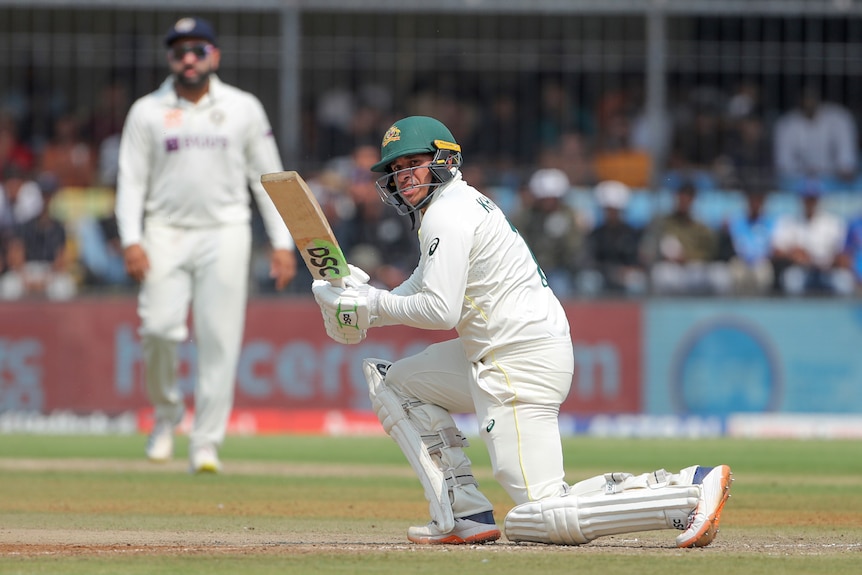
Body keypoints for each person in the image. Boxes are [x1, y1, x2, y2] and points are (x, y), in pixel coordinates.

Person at [311, 115, 732, 547]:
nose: (404, 177)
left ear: (446, 160)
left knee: (539, 514)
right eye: (397, 170)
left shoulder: (448, 215)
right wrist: (362, 306)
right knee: (395, 385)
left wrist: (370, 305)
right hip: (497, 350)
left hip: (518, 358)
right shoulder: (452, 208)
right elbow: (420, 287)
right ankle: (465, 514)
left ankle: (689, 490)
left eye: (414, 163)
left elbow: (439, 310)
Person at [115, 16, 297, 473]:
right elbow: (130, 181)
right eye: (179, 51)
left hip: (226, 231)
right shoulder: (147, 110)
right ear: (169, 58)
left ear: (214, 55)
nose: (189, 58)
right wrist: (131, 239)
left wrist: (282, 243)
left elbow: (268, 179)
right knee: (158, 329)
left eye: (198, 50)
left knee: (219, 340)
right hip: (165, 231)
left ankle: (206, 442)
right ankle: (165, 414)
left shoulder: (243, 107)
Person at [640, 181, 731, 295]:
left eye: (687, 199)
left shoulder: (701, 226)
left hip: (696, 269)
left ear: (692, 200)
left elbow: (711, 252)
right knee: (661, 274)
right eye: (680, 198)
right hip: (673, 269)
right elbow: (647, 250)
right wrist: (664, 256)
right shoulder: (663, 223)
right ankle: (665, 310)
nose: (683, 202)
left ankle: (718, 311)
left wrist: (687, 257)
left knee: (720, 274)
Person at [510, 167, 586, 298]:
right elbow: (518, 243)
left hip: (560, 269)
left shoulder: (569, 215)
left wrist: (564, 233)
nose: (549, 203)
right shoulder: (525, 216)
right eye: (545, 198)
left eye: (553, 198)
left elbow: (575, 248)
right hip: (529, 268)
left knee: (561, 287)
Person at [770, 181, 854, 296]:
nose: (810, 202)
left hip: (828, 271)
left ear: (819, 199)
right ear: (801, 199)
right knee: (791, 280)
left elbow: (844, 255)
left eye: (813, 198)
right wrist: (792, 254)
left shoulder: (832, 223)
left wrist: (831, 261)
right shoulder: (789, 221)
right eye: (807, 198)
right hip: (802, 270)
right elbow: (776, 250)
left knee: (844, 283)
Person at [579, 180, 647, 296]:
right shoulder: (596, 234)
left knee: (637, 283)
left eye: (614, 210)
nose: (611, 214)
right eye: (608, 210)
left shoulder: (632, 233)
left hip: (626, 274)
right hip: (602, 274)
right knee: (588, 281)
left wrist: (629, 270)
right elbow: (590, 260)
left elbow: (639, 258)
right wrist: (611, 271)